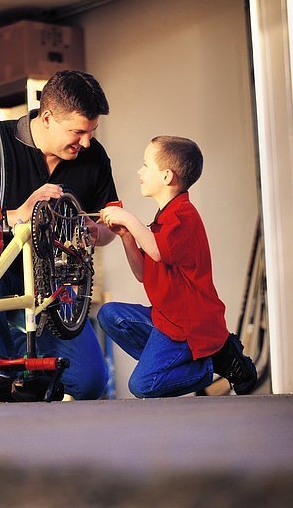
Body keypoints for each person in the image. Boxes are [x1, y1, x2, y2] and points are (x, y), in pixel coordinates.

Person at [0, 70, 118, 404]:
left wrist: (95, 231)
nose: (85, 142)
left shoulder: (94, 157)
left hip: (53, 292)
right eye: (78, 132)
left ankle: (32, 373)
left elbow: (109, 226)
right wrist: (17, 214)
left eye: (90, 132)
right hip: (0, 276)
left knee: (90, 382)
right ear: (48, 117)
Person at [98, 135, 257, 398]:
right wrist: (126, 235)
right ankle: (175, 362)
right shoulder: (163, 220)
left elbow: (158, 252)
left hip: (188, 327)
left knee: (142, 386)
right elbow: (142, 273)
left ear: (167, 176)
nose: (140, 170)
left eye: (146, 164)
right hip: (166, 320)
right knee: (109, 315)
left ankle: (211, 363)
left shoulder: (184, 216)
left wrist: (128, 218)